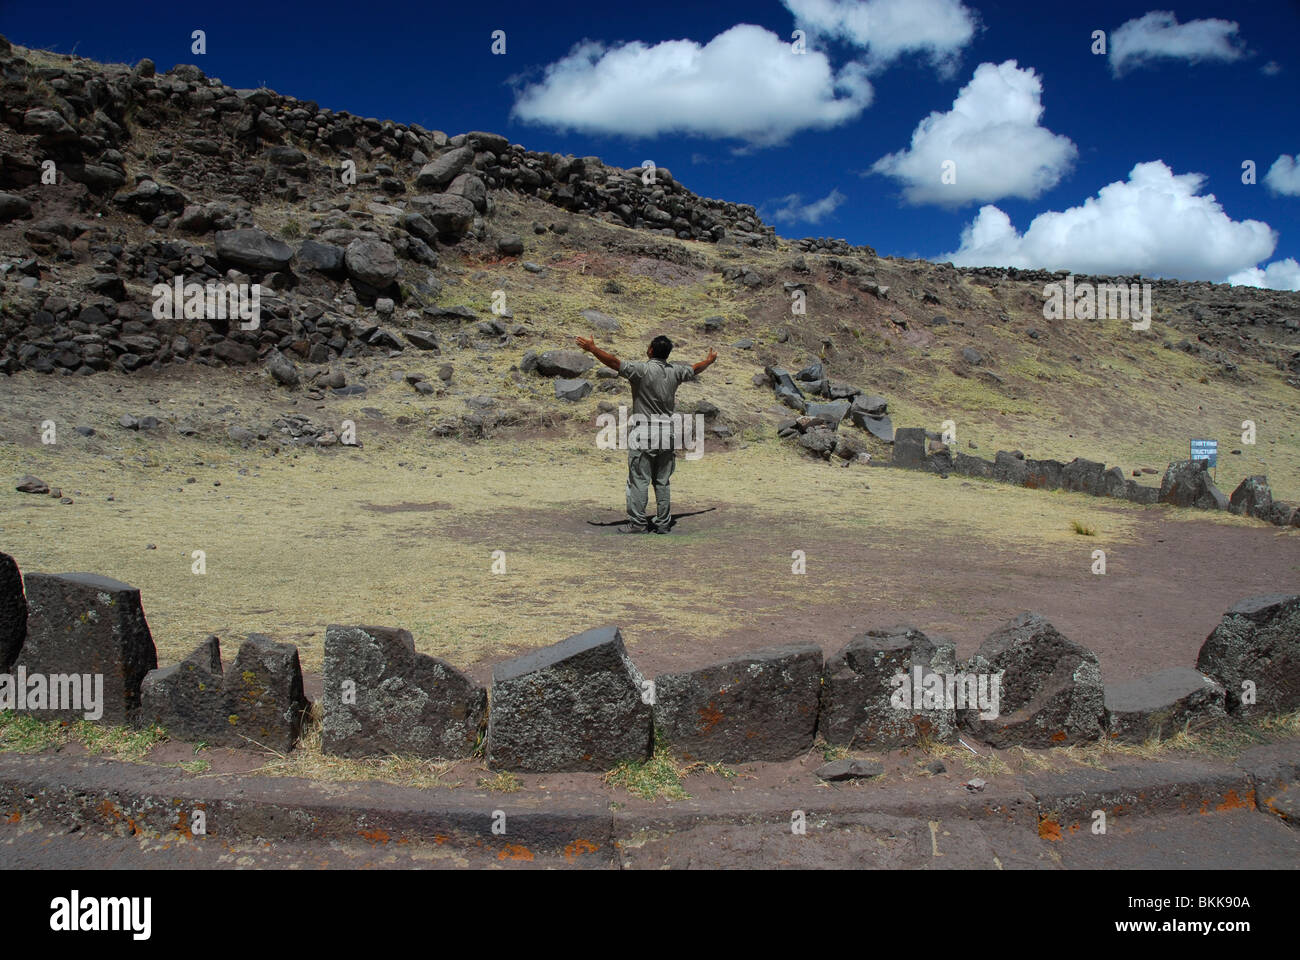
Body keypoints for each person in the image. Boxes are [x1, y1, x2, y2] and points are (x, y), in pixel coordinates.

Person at [575, 334, 717, 533]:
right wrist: (709, 361)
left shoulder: (641, 370)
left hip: (644, 432)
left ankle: (638, 523)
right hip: (668, 434)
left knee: (639, 479)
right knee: (662, 481)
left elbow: (614, 362)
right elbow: (695, 368)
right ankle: (663, 523)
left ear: (650, 350)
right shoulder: (676, 371)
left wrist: (593, 349)